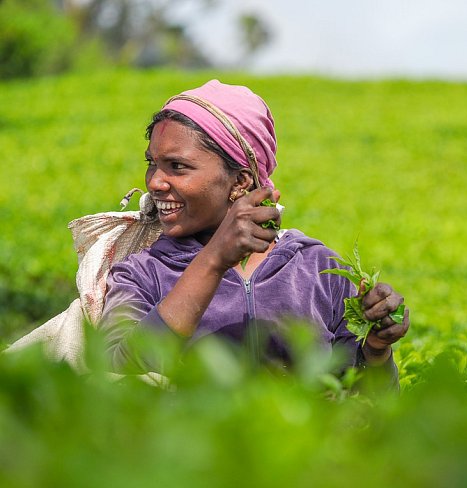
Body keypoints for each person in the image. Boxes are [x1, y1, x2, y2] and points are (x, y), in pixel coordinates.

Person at [99, 80, 409, 385]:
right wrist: (213, 260)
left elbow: (366, 403)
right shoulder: (143, 273)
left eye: (177, 166)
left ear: (240, 182)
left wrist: (377, 350)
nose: (155, 182)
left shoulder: (319, 269)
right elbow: (115, 368)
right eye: (152, 164)